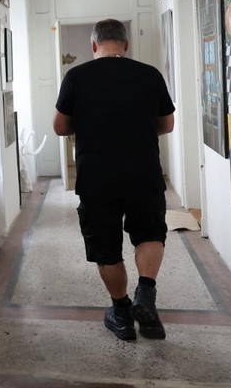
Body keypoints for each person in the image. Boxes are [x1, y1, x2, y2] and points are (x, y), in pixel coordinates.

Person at [53, 19, 175, 341]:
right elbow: (167, 124)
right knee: (149, 233)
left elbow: (60, 126)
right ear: (126, 44)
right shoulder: (149, 75)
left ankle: (121, 313)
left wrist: (88, 124)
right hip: (144, 172)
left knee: (106, 248)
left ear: (94, 45)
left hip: (97, 177)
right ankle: (146, 294)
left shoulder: (77, 77)